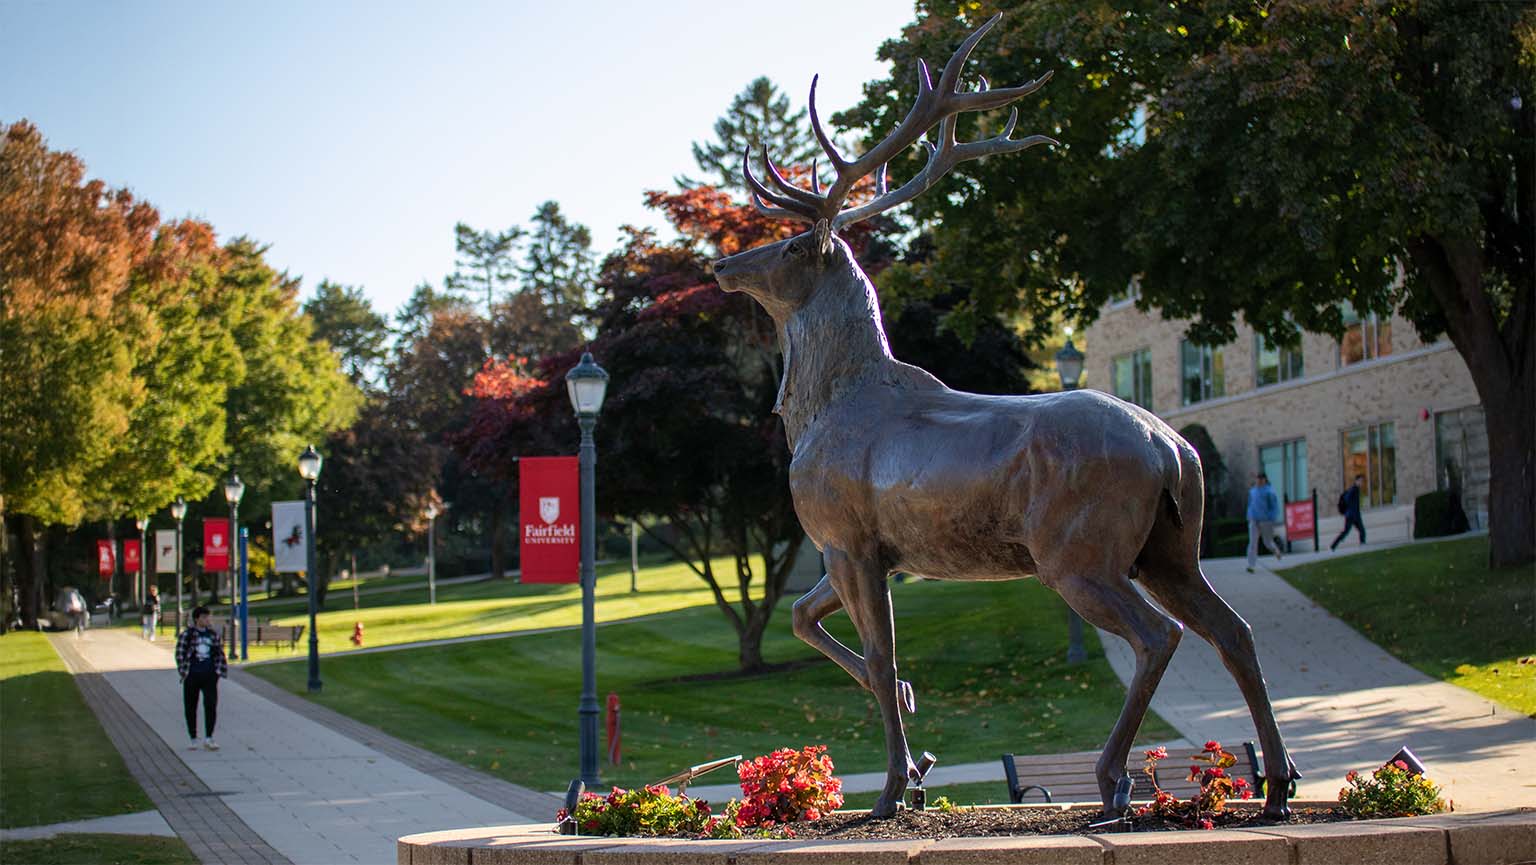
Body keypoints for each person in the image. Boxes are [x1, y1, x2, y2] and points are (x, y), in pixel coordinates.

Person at [175, 606, 227, 751]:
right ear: (197, 619)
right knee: (191, 707)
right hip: (192, 675)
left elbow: (219, 653)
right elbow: (180, 652)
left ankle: (209, 738)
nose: (207, 620)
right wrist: (184, 670)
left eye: (208, 617)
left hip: (209, 675)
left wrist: (217, 671)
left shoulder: (213, 635)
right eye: (204, 617)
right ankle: (193, 738)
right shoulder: (188, 634)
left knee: (211, 705)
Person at [1246, 472, 1284, 573]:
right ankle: (1251, 565)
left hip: (1266, 521)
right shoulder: (1253, 491)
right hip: (1254, 520)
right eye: (1257, 479)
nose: (1258, 481)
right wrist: (1249, 515)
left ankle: (1276, 551)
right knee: (1253, 542)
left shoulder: (1269, 492)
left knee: (1267, 542)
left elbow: (1274, 507)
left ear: (1264, 480)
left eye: (1261, 479)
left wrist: (1271, 518)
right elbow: (1250, 504)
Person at [1332, 474, 1367, 551]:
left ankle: (1362, 543)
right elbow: (1347, 499)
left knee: (1361, 530)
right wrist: (1351, 508)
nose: (1361, 483)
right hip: (1351, 515)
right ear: (1356, 481)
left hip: (1354, 515)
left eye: (1362, 481)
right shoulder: (1353, 489)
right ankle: (1333, 546)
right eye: (1360, 481)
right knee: (1347, 531)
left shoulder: (1356, 489)